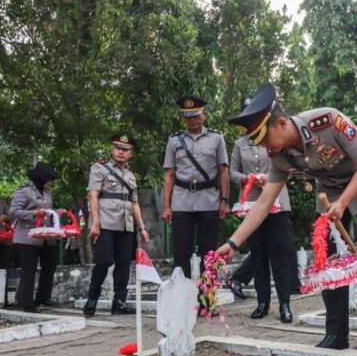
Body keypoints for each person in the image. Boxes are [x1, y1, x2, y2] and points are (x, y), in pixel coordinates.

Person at [219, 83, 357, 355]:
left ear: (281, 123)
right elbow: (264, 202)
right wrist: (232, 244)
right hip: (329, 191)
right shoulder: (279, 156)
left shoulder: (327, 121)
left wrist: (343, 203)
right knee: (327, 259)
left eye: (265, 140)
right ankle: (336, 334)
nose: (265, 149)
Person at [230, 120, 295, 323]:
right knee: (258, 256)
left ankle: (285, 304)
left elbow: (289, 165)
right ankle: (262, 303)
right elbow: (232, 173)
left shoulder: (275, 137)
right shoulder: (240, 144)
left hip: (277, 203)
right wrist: (248, 178)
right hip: (251, 204)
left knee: (280, 256)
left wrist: (269, 177)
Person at [162, 96, 230, 278]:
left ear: (203, 116)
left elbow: (223, 171)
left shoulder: (217, 138)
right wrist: (167, 206)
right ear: (183, 118)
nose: (192, 120)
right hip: (181, 200)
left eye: (195, 116)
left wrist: (224, 201)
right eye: (188, 117)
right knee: (181, 252)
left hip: (209, 199)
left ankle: (207, 299)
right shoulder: (174, 141)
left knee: (209, 253)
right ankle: (181, 296)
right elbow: (169, 175)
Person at [84, 133, 150, 316]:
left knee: (124, 265)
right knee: (103, 262)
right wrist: (95, 223)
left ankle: (119, 303)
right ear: (112, 149)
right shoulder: (99, 168)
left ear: (131, 154)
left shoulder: (130, 176)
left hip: (126, 225)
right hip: (105, 223)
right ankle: (92, 300)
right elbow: (93, 195)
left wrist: (142, 228)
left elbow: (134, 203)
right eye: (118, 148)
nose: (121, 152)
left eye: (125, 150)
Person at [10, 162, 58, 312]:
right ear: (42, 177)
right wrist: (33, 213)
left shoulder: (48, 191)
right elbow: (13, 212)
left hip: (46, 236)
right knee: (29, 270)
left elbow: (47, 211)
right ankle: (27, 303)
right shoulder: (24, 192)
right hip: (27, 236)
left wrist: (57, 212)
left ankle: (43, 297)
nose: (52, 181)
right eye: (50, 178)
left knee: (50, 265)